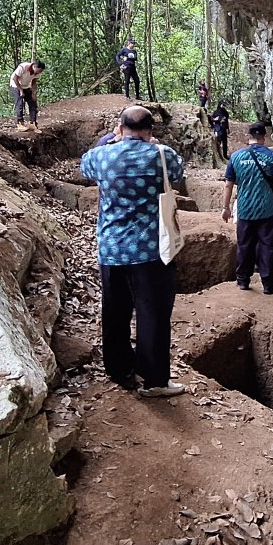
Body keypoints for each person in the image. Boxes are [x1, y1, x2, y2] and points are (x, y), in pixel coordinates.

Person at [81, 106, 186, 397]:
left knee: (115, 311)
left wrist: (109, 139)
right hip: (151, 249)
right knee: (152, 314)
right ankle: (154, 380)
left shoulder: (101, 156)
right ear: (150, 130)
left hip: (112, 248)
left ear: (120, 127)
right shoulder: (162, 155)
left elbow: (84, 165)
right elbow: (177, 173)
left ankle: (119, 369)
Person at [222, 122, 273, 294]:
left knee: (244, 245)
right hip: (267, 209)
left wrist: (226, 207)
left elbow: (228, 185)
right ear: (264, 137)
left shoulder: (236, 157)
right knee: (267, 246)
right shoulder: (272, 156)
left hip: (245, 209)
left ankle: (243, 280)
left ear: (248, 137)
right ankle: (268, 283)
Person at [9, 60, 46, 132]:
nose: (39, 73)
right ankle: (20, 123)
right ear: (34, 66)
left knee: (33, 104)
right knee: (20, 103)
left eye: (41, 71)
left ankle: (32, 123)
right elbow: (15, 78)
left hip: (26, 86)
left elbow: (34, 83)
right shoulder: (23, 67)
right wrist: (20, 90)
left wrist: (33, 94)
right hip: (15, 85)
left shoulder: (37, 72)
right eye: (39, 70)